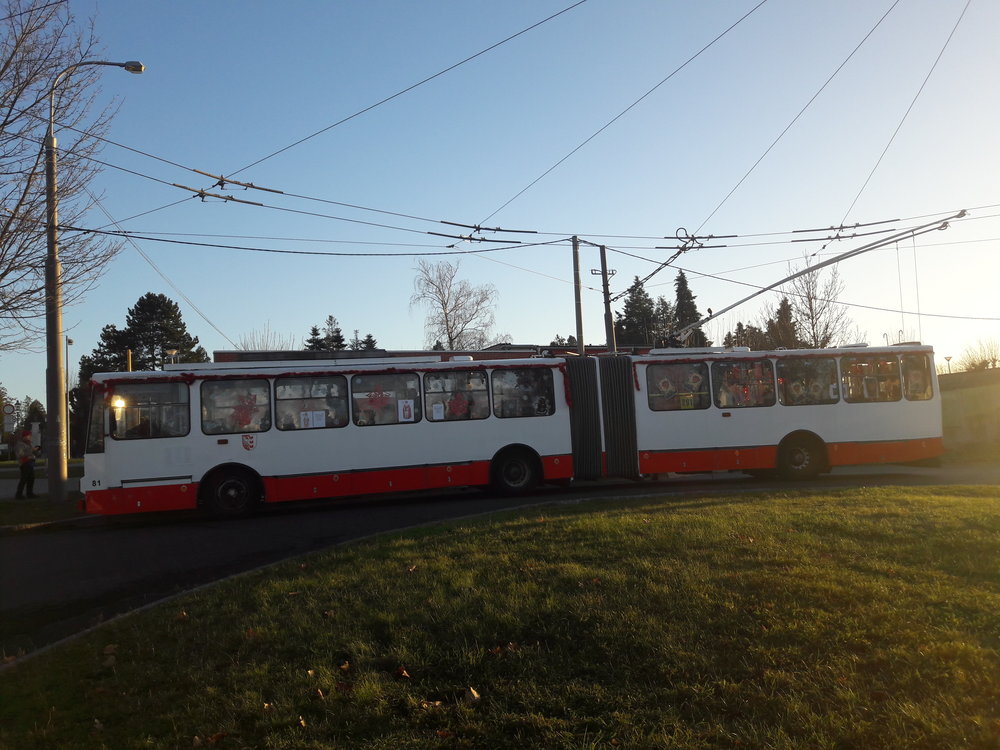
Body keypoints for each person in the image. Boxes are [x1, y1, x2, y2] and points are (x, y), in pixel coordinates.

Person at [14, 430, 36, 499]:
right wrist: (31, 451)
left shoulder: (28, 443)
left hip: (30, 463)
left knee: (31, 478)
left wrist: (35, 452)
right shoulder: (20, 444)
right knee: (24, 479)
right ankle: (19, 494)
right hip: (24, 463)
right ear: (25, 436)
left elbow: (31, 452)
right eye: (29, 436)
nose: (30, 437)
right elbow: (20, 454)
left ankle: (29, 493)